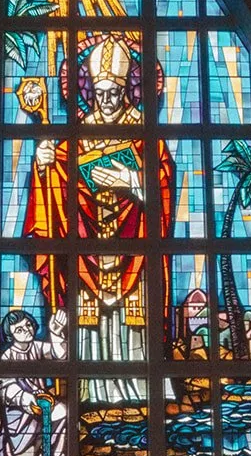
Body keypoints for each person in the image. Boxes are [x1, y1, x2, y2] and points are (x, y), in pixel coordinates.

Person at [25, 35, 174, 403]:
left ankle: (139, 394)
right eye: (100, 92)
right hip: (85, 254)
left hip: (134, 255)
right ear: (89, 89)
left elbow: (164, 191)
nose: (106, 101)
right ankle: (90, 394)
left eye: (114, 92)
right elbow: (54, 200)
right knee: (87, 325)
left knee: (132, 325)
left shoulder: (146, 138)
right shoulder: (74, 139)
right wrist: (44, 166)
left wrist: (133, 182)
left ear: (128, 89)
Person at [0, 308, 67, 456]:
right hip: (19, 414)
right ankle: (4, 448)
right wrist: (27, 400)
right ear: (10, 335)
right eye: (19, 330)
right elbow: (7, 388)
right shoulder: (7, 356)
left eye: (28, 325)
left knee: (62, 412)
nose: (27, 330)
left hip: (43, 403)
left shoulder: (38, 346)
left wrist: (56, 333)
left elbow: (61, 355)